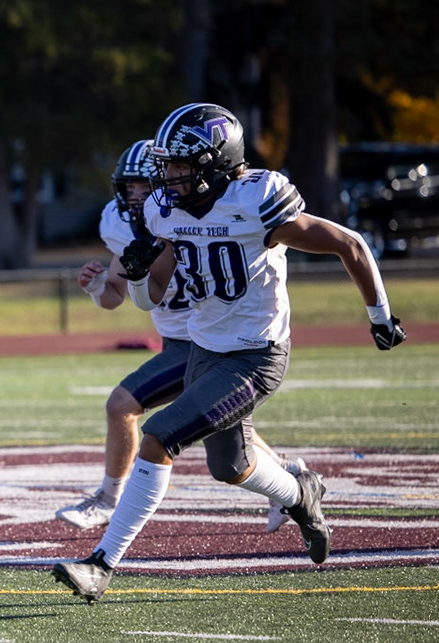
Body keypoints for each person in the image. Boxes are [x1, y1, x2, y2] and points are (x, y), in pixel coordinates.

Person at [53, 104, 406, 603]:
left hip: (256, 355)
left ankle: (101, 564)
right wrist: (134, 274)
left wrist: (381, 316)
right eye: (167, 166)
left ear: (215, 162)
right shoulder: (168, 210)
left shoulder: (256, 201)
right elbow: (151, 296)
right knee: (230, 466)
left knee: (157, 437)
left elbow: (348, 245)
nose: (169, 176)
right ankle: (301, 492)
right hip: (203, 349)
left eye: (180, 166)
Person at [57, 140, 299, 535]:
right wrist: (97, 284)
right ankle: (288, 477)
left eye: (143, 187)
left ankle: (107, 500)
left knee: (122, 405)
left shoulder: (190, 215)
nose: (135, 197)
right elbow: (115, 297)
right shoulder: (122, 223)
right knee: (223, 429)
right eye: (128, 188)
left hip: (204, 339)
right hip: (178, 340)